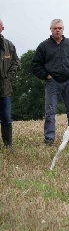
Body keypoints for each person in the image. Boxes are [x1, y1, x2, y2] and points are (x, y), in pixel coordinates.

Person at [31, 19, 69, 145]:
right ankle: (49, 139)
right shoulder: (43, 46)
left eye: (60, 28)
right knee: (50, 112)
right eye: (55, 28)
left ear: (63, 29)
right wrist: (46, 75)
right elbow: (35, 64)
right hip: (52, 82)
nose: (57, 30)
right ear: (50, 29)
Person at [0, 19, 20, 148]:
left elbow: (16, 63)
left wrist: (9, 77)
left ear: (2, 28)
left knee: (6, 118)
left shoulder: (9, 45)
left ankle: (8, 146)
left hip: (4, 88)